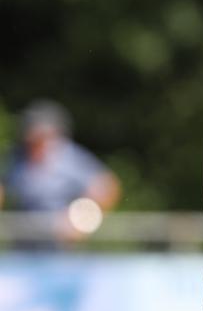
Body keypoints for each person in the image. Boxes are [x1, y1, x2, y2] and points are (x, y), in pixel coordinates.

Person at [0, 99, 121, 248]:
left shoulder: (69, 158)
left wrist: (81, 221)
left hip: (60, 248)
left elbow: (107, 188)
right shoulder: (17, 158)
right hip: (24, 246)